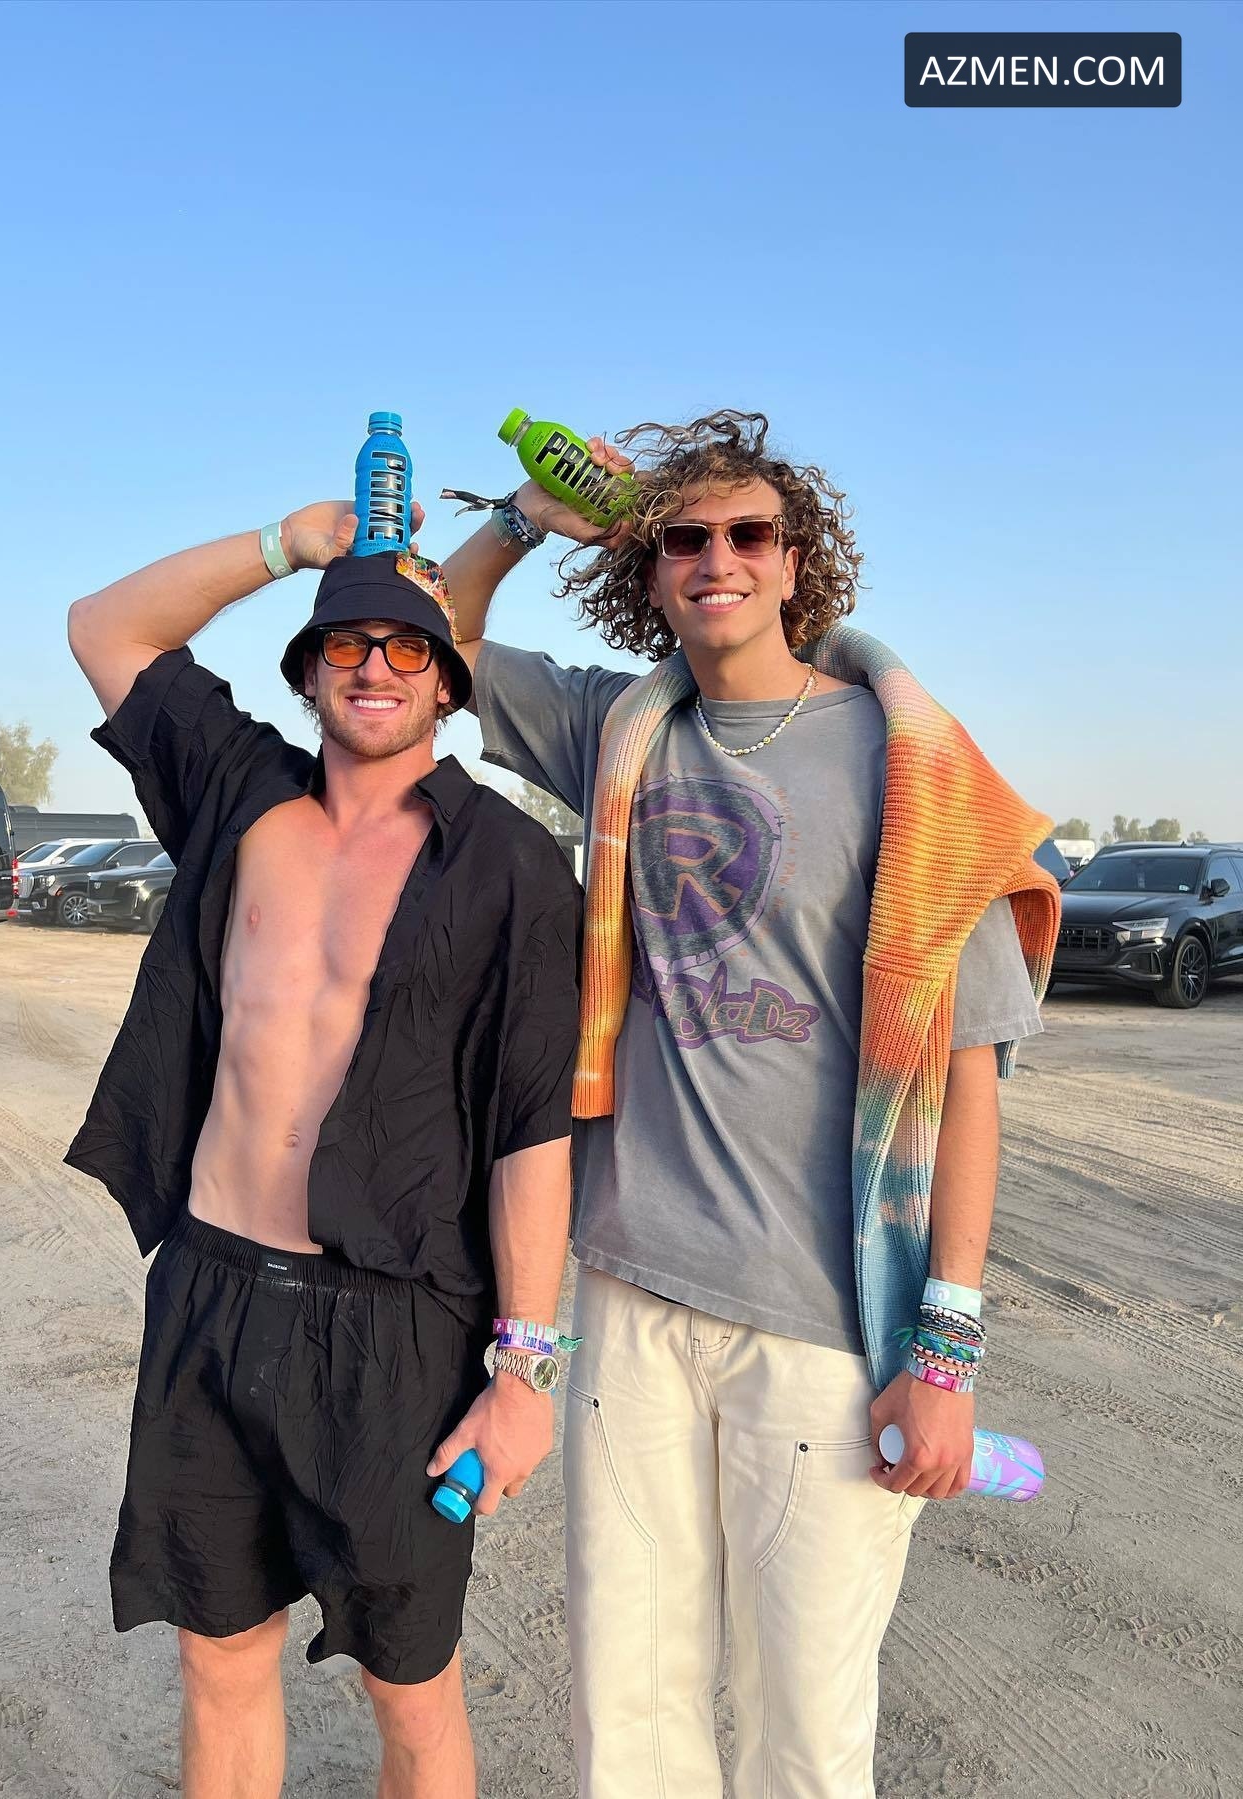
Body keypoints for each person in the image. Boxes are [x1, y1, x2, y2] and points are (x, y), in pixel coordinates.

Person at [438, 411, 1061, 1798]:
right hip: (633, 1291)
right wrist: (526, 518)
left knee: (804, 1728)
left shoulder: (915, 767)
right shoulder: (619, 730)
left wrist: (947, 1351)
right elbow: (444, 645)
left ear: (794, 562)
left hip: (823, 1323)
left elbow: (965, 1080)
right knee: (628, 1706)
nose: (717, 557)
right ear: (650, 570)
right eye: (685, 538)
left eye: (748, 534)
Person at [64, 501, 582, 1799]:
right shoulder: (238, 791)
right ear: (307, 671)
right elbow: (105, 627)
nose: (375, 667)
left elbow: (531, 1129)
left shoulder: (512, 866)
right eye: (346, 643)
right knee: (219, 1661)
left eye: (409, 648)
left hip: (395, 1328)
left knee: (409, 1691)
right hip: (211, 1293)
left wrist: (524, 1371)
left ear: (448, 683)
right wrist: (284, 545)